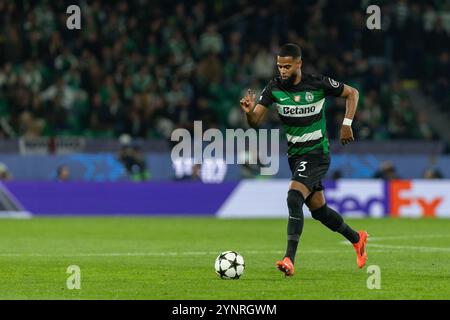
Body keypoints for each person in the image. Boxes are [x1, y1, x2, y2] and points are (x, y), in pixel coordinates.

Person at [240, 43, 368, 277]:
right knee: (319, 210)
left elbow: (353, 93)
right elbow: (256, 121)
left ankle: (289, 258)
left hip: (317, 153)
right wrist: (249, 112)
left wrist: (347, 124)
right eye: (279, 66)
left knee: (293, 196)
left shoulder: (317, 83)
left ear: (299, 63)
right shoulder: (274, 87)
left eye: (287, 66)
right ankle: (357, 239)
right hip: (295, 156)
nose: (283, 71)